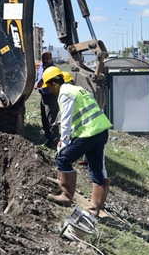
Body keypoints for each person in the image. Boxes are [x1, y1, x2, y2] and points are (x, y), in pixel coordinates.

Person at [42, 67, 112, 217]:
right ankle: (95, 206)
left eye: (48, 86)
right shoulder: (78, 89)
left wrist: (64, 141)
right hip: (100, 130)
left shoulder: (65, 93)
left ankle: (66, 196)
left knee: (62, 159)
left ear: (54, 84)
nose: (48, 90)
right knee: (97, 167)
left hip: (89, 133)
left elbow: (66, 119)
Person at [34, 51, 59, 147]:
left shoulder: (54, 69)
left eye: (47, 58)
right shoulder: (41, 66)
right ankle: (49, 138)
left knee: (52, 119)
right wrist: (36, 83)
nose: (45, 60)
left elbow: (56, 82)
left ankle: (54, 141)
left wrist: (43, 83)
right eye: (43, 58)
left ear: (51, 58)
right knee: (44, 118)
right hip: (43, 95)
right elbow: (38, 77)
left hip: (51, 96)